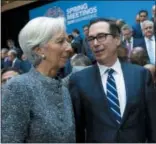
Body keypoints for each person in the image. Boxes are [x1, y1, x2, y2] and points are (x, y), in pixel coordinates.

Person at [69, 18, 156, 143]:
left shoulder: (141, 75)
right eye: (91, 38)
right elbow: (78, 130)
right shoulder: (79, 80)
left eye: (101, 36)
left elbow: (152, 123)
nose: (95, 43)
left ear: (117, 39)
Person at [2, 17, 75, 143]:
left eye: (68, 41)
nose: (69, 48)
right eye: (60, 41)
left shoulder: (62, 89)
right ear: (39, 50)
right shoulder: (19, 87)